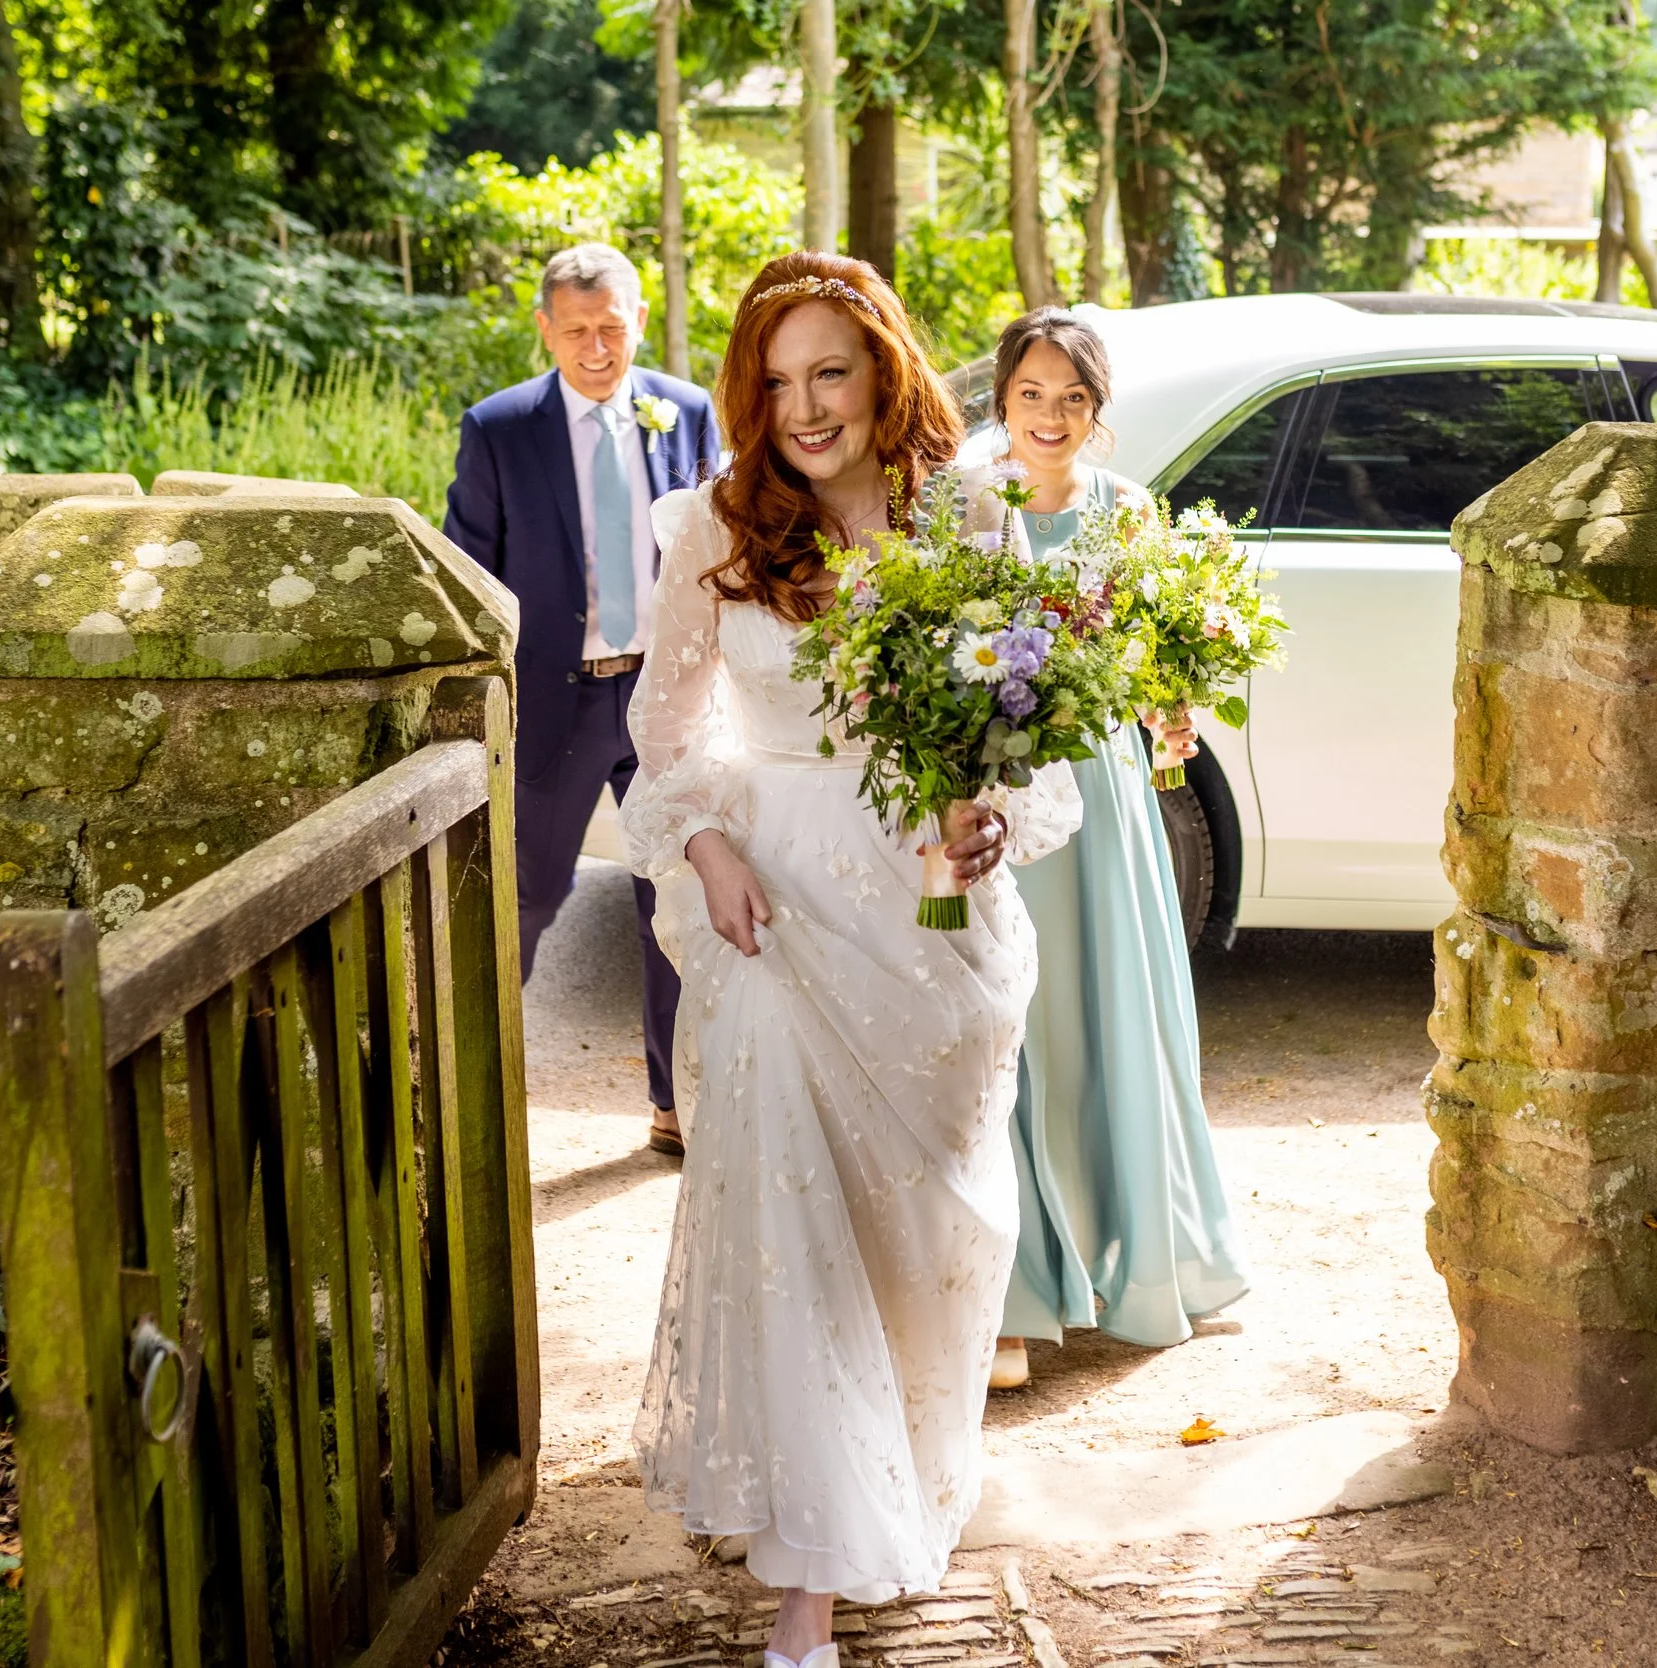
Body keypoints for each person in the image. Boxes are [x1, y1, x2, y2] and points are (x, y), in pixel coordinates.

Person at [620, 252, 1081, 1668]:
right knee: (786, 1216)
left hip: (927, 914)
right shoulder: (709, 524)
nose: (805, 406)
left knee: (923, 1231)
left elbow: (1036, 728)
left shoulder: (972, 513)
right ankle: (805, 1587)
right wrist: (704, 848)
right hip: (771, 906)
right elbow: (667, 736)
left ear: (885, 369)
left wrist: (991, 809)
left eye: (831, 370)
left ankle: (904, 1471)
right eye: (776, 380)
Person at [960, 310, 1249, 1391]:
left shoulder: (1130, 513)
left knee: (1110, 1017)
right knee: (1011, 1029)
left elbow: (1153, 653)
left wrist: (1170, 693)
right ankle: (1017, 1296)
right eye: (1031, 394)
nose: (1050, 416)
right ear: (1002, 399)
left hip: (1106, 793)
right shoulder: (960, 505)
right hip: (997, 789)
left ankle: (1148, 1258)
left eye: (1071, 398)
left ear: (1097, 410)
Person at [444, 242, 721, 1158]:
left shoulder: (686, 411)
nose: (597, 348)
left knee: (672, 898)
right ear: (546, 330)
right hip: (556, 708)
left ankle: (675, 1101)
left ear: (638, 319)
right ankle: (469, 1101)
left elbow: (720, 543)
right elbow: (470, 571)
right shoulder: (499, 427)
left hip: (667, 699)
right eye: (576, 331)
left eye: (611, 328)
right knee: (518, 902)